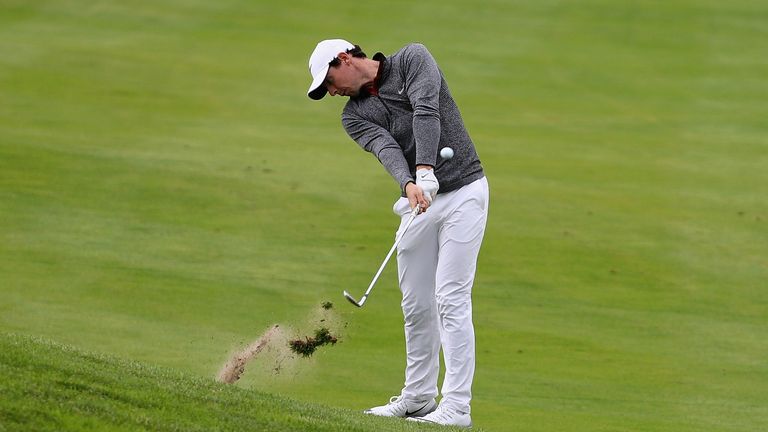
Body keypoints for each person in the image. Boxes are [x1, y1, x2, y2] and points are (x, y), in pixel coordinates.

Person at [306, 39, 489, 428]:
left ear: (345, 59)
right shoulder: (353, 116)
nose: (332, 92)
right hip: (418, 201)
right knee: (416, 304)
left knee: (450, 298)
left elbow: (427, 110)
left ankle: (456, 407)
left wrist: (425, 170)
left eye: (330, 81)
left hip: (464, 192)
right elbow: (385, 147)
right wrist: (410, 183)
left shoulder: (413, 59)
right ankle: (419, 397)